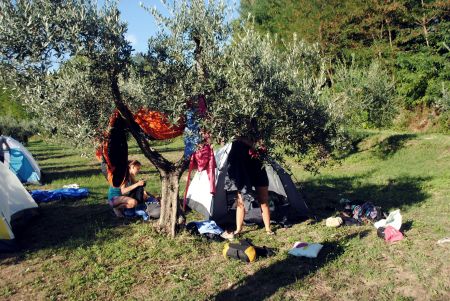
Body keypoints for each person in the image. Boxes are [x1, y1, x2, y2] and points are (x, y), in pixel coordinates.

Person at [224, 121, 274, 236]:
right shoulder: (235, 138)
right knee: (241, 200)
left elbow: (261, 147)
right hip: (243, 170)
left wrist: (245, 140)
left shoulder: (258, 133)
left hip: (257, 167)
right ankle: (238, 229)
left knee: (264, 199)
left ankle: (268, 228)